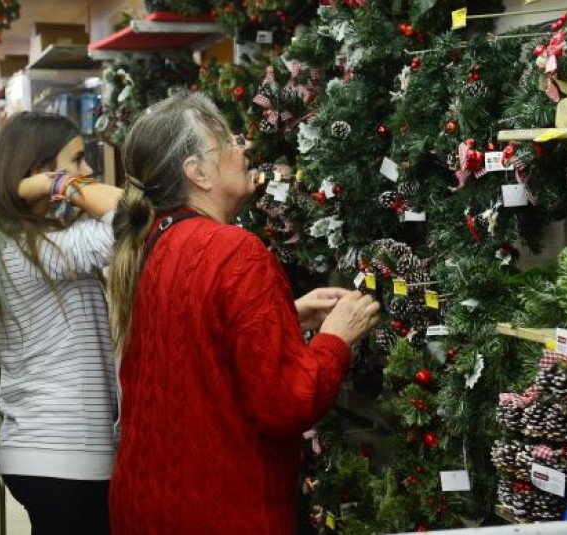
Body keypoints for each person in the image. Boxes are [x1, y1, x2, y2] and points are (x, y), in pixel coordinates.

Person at [107, 93, 381, 535]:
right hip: (219, 509)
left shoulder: (154, 243)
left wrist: (282, 316)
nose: (244, 148)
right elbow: (287, 403)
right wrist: (336, 337)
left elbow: (195, 341)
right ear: (196, 172)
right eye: (227, 141)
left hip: (147, 505)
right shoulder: (235, 251)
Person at [0, 111, 122, 534]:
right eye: (78, 160)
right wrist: (60, 185)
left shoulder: (3, 239)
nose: (88, 172)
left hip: (41, 450)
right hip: (66, 453)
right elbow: (132, 215)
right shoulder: (33, 248)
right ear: (38, 170)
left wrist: (50, 186)